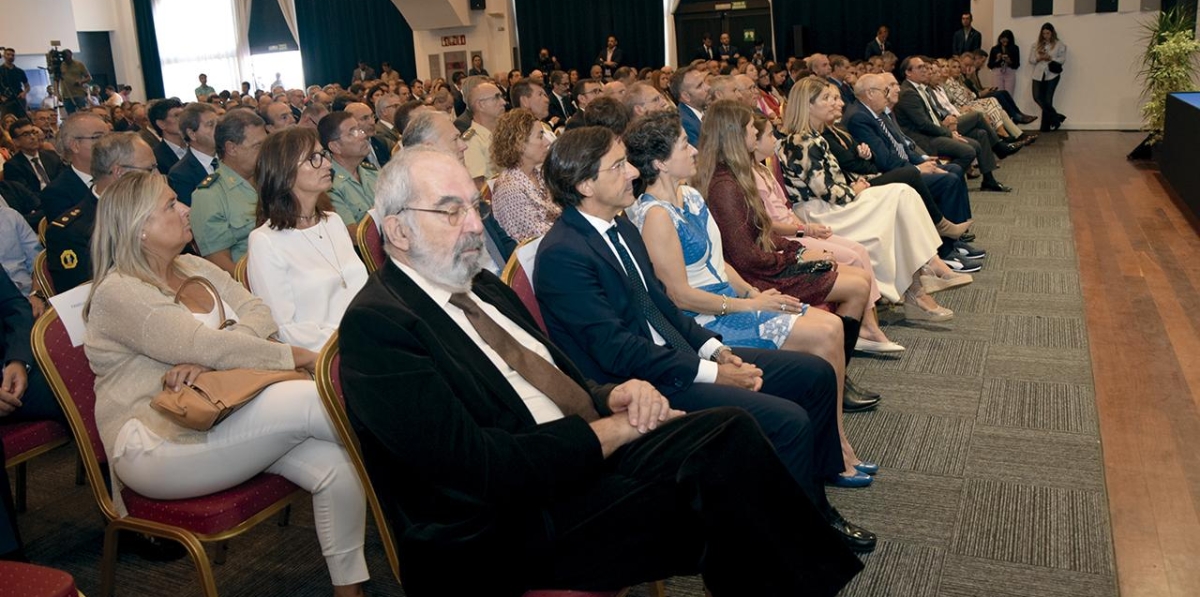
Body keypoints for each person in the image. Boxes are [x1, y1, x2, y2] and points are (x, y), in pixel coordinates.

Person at [340, 144, 864, 596]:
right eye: (451, 212)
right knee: (727, 496)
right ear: (398, 232)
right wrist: (610, 431)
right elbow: (476, 470)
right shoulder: (380, 328)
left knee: (730, 433)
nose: (476, 225)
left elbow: (550, 373)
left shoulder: (480, 285)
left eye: (474, 209)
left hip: (571, 462)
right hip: (503, 526)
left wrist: (609, 395)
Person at [535, 126, 879, 550]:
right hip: (642, 388)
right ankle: (804, 535)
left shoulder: (617, 226)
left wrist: (716, 350)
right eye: (618, 165)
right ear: (586, 184)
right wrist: (712, 373)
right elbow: (620, 351)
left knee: (815, 374)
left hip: (669, 359)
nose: (631, 173)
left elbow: (659, 305)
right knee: (789, 421)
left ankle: (817, 478)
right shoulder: (564, 255)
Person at [83, 171, 368, 596]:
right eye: (169, 204)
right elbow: (206, 344)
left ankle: (352, 591)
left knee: (336, 465)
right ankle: (435, 467)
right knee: (312, 401)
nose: (183, 210)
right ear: (140, 227)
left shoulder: (191, 266)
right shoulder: (119, 293)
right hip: (155, 443)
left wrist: (213, 356)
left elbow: (258, 312)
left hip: (224, 412)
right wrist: (292, 356)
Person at [623, 111, 881, 482]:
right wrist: (749, 303)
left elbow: (720, 260)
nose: (695, 149)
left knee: (831, 330)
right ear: (661, 163)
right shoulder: (655, 216)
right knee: (825, 332)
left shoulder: (690, 195)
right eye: (684, 144)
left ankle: (834, 441)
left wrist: (755, 291)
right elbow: (679, 296)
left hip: (730, 298)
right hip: (704, 319)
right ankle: (835, 448)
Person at [776, 77, 952, 320]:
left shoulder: (813, 136)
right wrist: (856, 189)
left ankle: (926, 270)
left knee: (904, 194)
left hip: (831, 203)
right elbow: (828, 191)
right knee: (900, 193)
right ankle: (923, 275)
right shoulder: (802, 141)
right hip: (819, 211)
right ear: (808, 105)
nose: (833, 102)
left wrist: (853, 184)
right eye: (825, 98)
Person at [247, 128, 367, 351]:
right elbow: (283, 329)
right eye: (313, 159)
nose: (327, 164)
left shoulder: (333, 222)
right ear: (285, 172)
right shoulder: (265, 241)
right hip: (328, 353)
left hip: (368, 333)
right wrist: (351, 341)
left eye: (323, 155)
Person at [894, 56, 1013, 193]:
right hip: (924, 139)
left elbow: (934, 116)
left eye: (925, 67)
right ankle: (944, 182)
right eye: (920, 68)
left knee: (980, 134)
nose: (925, 70)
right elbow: (923, 125)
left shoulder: (920, 89)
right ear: (908, 72)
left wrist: (948, 125)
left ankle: (989, 180)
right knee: (970, 145)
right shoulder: (909, 93)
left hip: (936, 130)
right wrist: (948, 132)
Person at [191, 110, 268, 274]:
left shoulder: (271, 180)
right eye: (258, 146)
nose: (266, 152)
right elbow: (219, 263)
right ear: (231, 148)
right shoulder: (210, 195)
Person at [489, 108, 556, 242]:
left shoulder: (538, 174)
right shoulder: (509, 188)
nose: (547, 142)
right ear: (520, 144)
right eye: (540, 136)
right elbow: (534, 237)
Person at [318, 111, 377, 236]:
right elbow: (354, 235)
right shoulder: (330, 186)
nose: (363, 136)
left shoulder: (372, 173)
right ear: (335, 147)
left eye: (360, 130)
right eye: (352, 133)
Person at [167, 103, 219, 206]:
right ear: (192, 134)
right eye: (210, 124)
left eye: (218, 123)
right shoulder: (180, 174)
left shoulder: (229, 159)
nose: (218, 128)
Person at [1030, 22, 1067, 132]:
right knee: (1037, 97)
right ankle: (1056, 117)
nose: (1046, 35)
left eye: (1048, 33)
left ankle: (1045, 127)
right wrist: (1039, 58)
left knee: (1047, 99)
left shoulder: (1059, 44)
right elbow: (1031, 59)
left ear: (1052, 33)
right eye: (1044, 33)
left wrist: (1050, 58)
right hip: (1038, 74)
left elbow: (1062, 59)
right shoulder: (1036, 44)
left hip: (1052, 74)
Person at [0, 48, 29, 119]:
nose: (10, 57)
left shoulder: (20, 71)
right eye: (8, 54)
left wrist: (24, 93)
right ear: (4, 56)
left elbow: (27, 86)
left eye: (12, 55)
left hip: (19, 99)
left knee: (22, 120)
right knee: (7, 120)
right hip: (6, 100)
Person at [989, 30, 1020, 96]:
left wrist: (1009, 61)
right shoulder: (995, 49)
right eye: (1002, 40)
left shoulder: (1015, 48)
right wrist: (997, 59)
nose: (1004, 42)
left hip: (1009, 71)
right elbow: (990, 65)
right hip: (997, 71)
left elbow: (1016, 65)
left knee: (1009, 95)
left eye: (1006, 41)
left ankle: (1008, 106)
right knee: (998, 94)